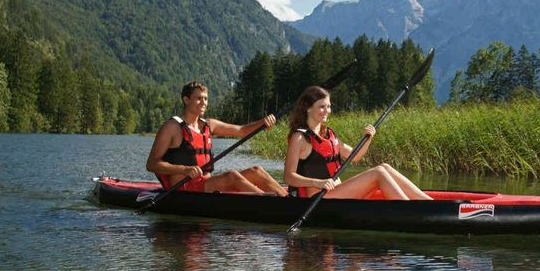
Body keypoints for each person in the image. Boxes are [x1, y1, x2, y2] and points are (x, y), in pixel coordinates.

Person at [283, 85, 432, 200]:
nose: (327, 110)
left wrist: (368, 138)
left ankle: (429, 203)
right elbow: (288, 177)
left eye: (328, 106)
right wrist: (317, 183)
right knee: (378, 172)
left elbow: (355, 156)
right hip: (319, 198)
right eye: (322, 107)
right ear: (308, 109)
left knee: (384, 167)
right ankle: (410, 209)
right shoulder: (299, 138)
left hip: (337, 193)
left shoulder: (328, 135)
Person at [146, 81, 287, 196]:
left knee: (256, 171)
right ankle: (270, 204)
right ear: (186, 100)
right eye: (198, 98)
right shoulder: (172, 127)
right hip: (184, 188)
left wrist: (263, 123)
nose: (203, 102)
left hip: (205, 183)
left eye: (206, 98)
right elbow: (152, 164)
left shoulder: (209, 125)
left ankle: (287, 200)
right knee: (231, 176)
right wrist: (185, 169)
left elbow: (242, 130)